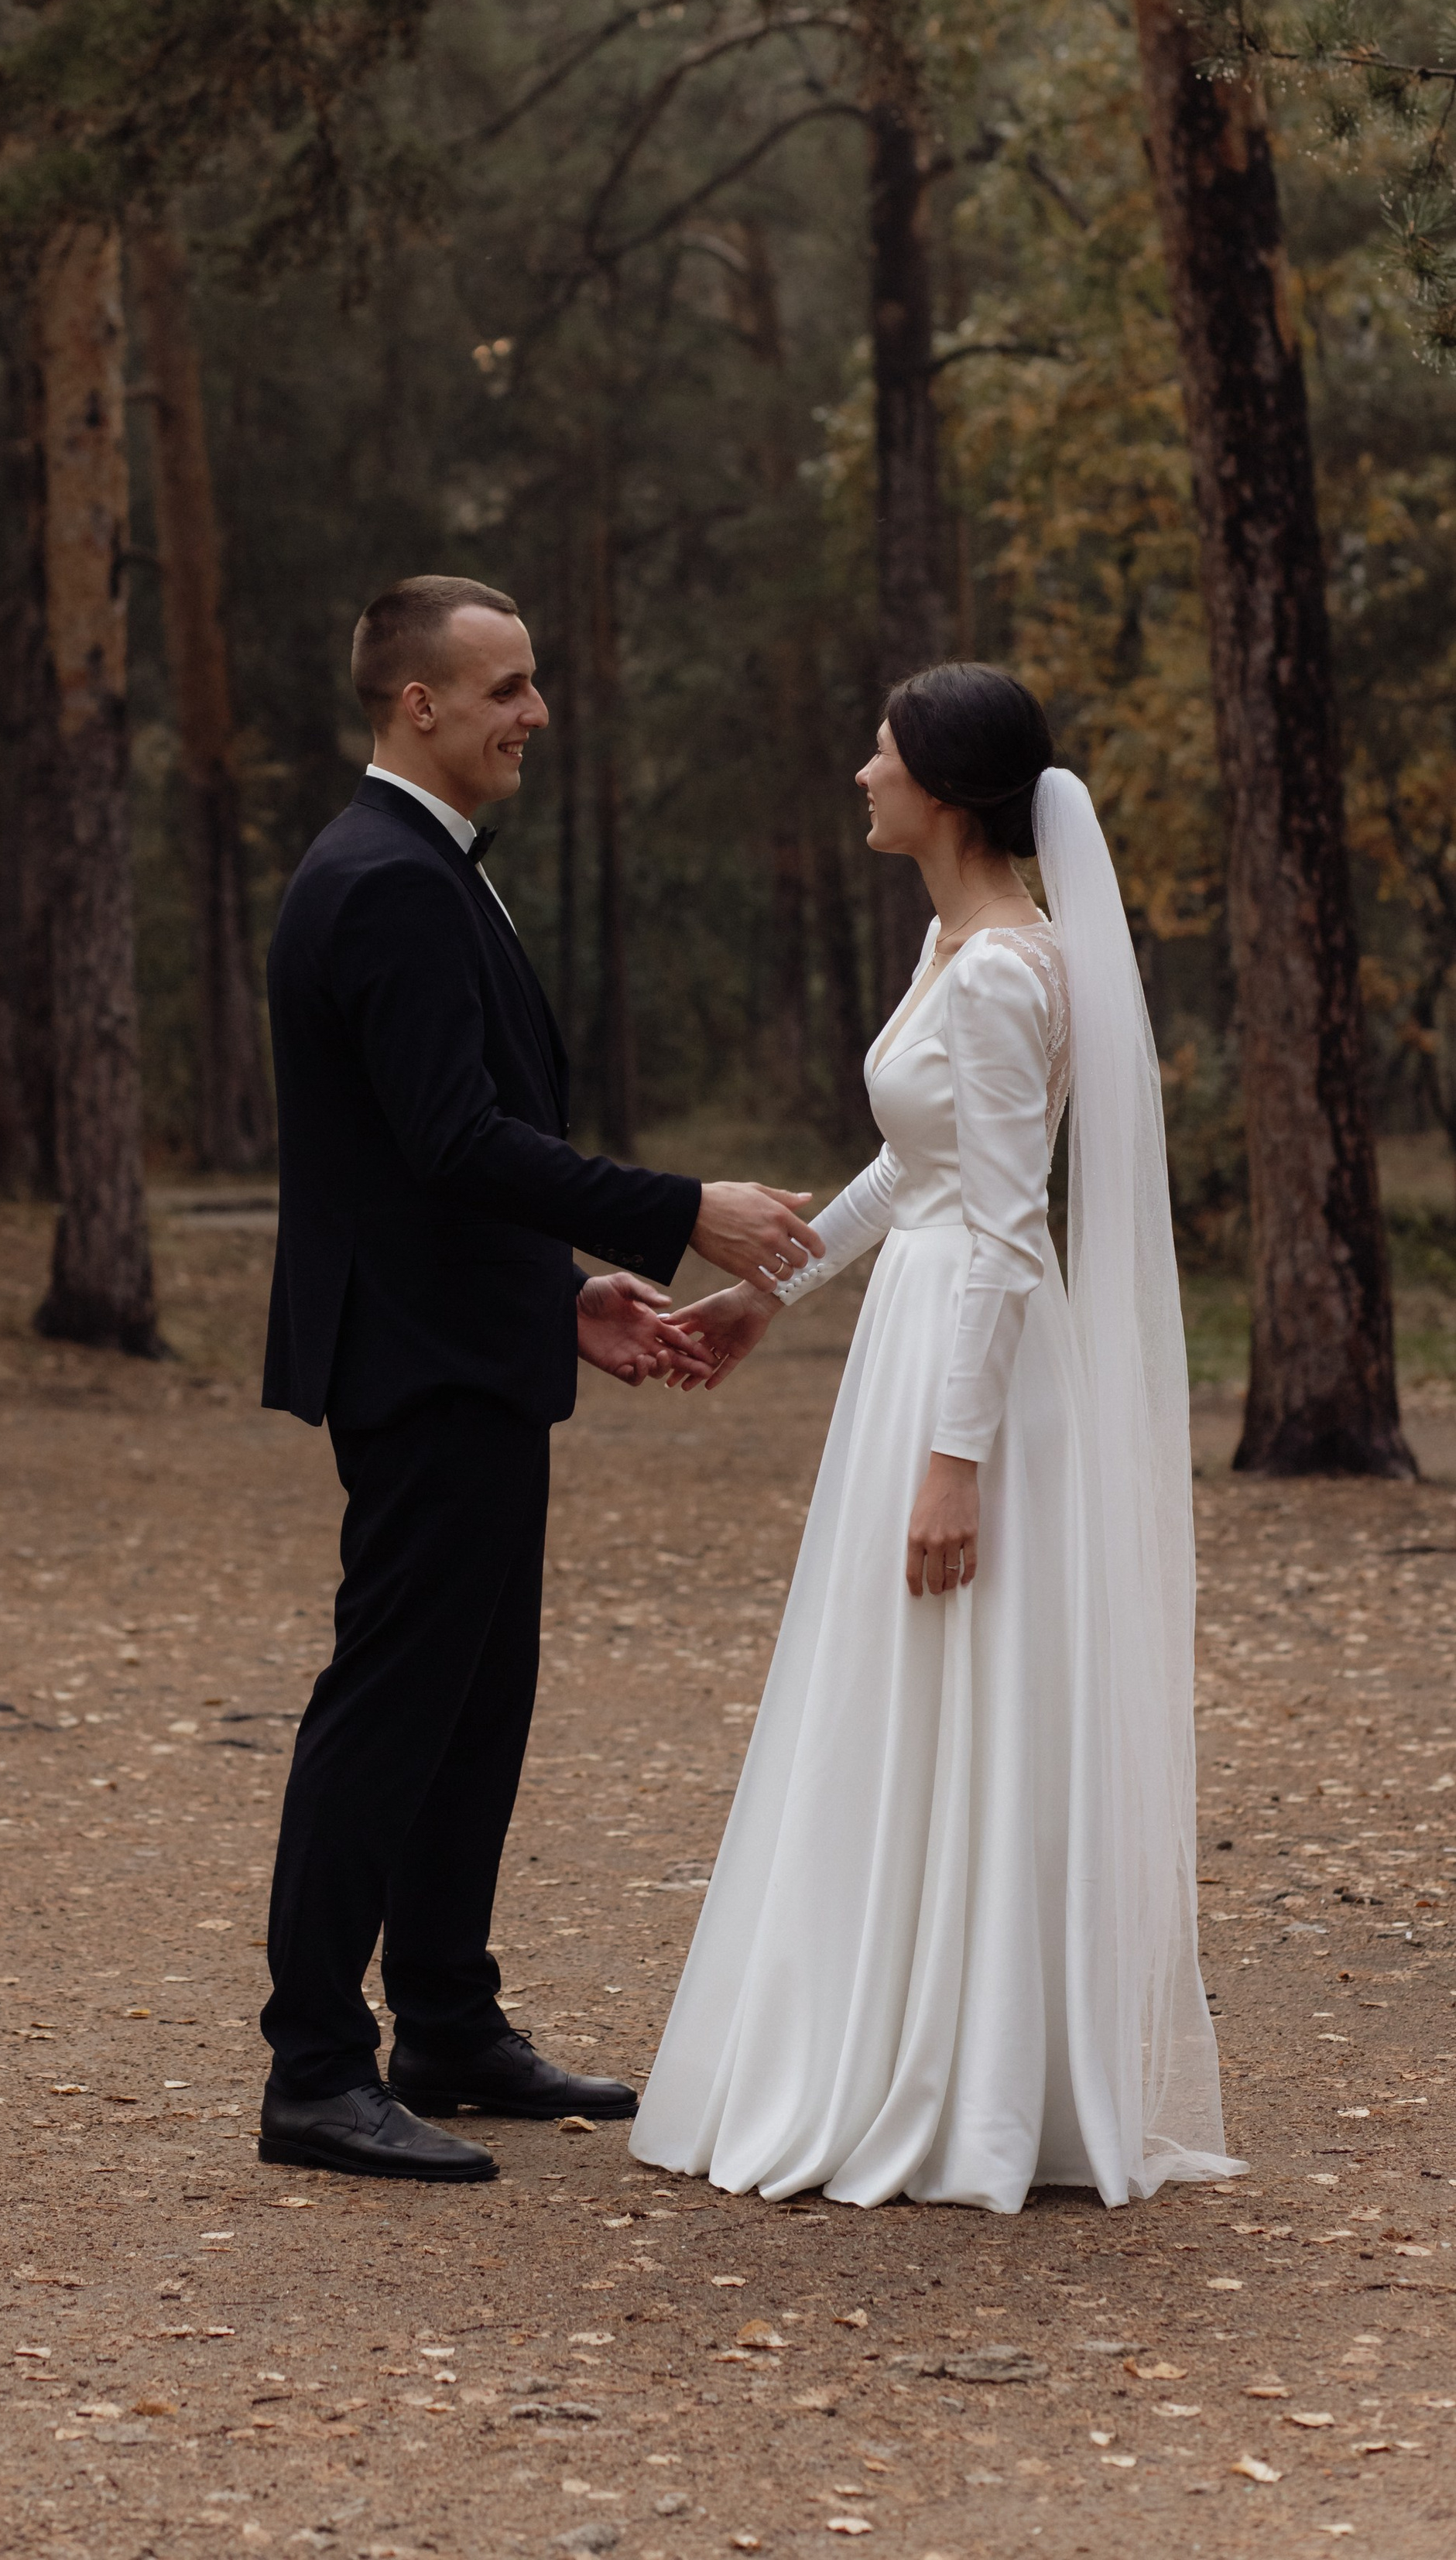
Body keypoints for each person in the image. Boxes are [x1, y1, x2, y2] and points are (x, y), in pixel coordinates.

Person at [636, 663, 1239, 2212]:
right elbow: (917, 1169)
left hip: (964, 1361)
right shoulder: (950, 941)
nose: (858, 772)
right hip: (916, 1333)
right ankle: (912, 2021)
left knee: (954, 1674)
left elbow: (999, 1230)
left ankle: (961, 2073)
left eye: (882, 753)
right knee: (903, 1689)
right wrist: (768, 1292)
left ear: (947, 796)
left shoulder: (994, 972)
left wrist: (953, 1458)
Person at [257, 573, 822, 2184]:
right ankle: (312, 2067)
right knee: (390, 1704)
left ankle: (443, 2017)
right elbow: (449, 1139)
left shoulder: (424, 868)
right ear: (412, 704)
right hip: (418, 1366)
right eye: (503, 688)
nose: (535, 713)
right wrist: (676, 1209)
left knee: (472, 1703)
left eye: (532, 682)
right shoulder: (382, 879)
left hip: (470, 1340)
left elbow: (415, 1163)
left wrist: (566, 1291)